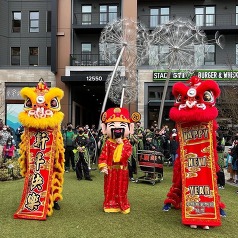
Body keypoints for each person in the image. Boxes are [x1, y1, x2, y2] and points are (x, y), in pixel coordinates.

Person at [98, 107, 140, 214]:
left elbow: (124, 155)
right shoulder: (108, 143)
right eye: (112, 125)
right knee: (109, 188)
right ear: (104, 128)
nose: (117, 128)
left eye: (122, 125)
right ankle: (110, 204)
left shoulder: (126, 143)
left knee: (122, 189)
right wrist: (103, 166)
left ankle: (122, 204)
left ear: (130, 128)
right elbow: (103, 155)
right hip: (110, 171)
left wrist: (120, 144)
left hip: (122, 170)